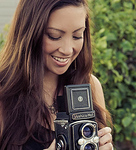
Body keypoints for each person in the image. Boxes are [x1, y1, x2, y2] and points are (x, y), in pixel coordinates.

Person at [0, 0, 113, 149]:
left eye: (77, 36)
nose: (67, 50)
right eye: (54, 36)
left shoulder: (90, 86)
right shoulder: (4, 94)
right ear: (29, 33)